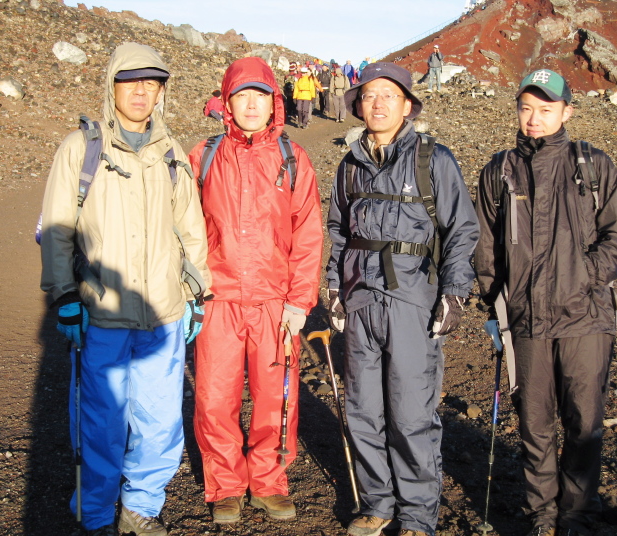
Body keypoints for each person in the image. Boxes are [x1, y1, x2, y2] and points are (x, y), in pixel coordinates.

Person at [40, 42, 212, 536]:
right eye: (130, 80)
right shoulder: (81, 149)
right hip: (103, 314)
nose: (141, 91)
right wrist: (65, 296)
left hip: (163, 314)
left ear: (162, 91)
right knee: (101, 423)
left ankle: (139, 509)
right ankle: (95, 515)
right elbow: (57, 227)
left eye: (151, 81)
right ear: (111, 85)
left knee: (160, 425)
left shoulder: (171, 153)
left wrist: (197, 294)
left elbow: (190, 227)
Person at [474, 69, 617, 536]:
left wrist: (585, 276)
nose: (534, 119)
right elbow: (484, 248)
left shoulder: (593, 165)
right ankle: (541, 517)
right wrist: (497, 309)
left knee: (584, 424)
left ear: (566, 112)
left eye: (546, 109)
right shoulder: (499, 171)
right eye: (526, 108)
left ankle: (578, 517)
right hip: (525, 322)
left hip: (586, 318)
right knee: (534, 425)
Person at [326, 62, 479, 536]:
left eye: (388, 95)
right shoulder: (350, 164)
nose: (377, 103)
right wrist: (332, 285)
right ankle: (377, 504)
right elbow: (336, 232)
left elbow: (461, 230)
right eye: (369, 95)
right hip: (359, 302)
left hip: (413, 302)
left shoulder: (434, 159)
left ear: (408, 105)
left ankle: (416, 516)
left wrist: (454, 293)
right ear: (358, 105)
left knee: (412, 412)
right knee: (363, 410)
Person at [188, 56, 323, 525]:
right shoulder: (203, 155)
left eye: (259, 96)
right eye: (241, 95)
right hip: (217, 299)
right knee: (214, 395)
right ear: (226, 102)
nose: (250, 105)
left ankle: (269, 480)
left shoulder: (292, 157)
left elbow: (307, 233)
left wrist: (300, 300)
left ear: (274, 104)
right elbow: (183, 227)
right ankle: (225, 484)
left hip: (274, 302)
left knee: (276, 395)